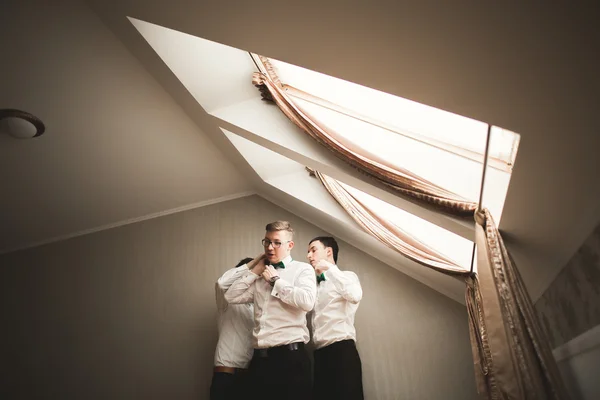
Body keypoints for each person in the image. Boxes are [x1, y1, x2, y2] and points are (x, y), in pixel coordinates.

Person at [225, 221, 317, 400]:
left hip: (291, 360)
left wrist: (276, 281)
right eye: (267, 241)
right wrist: (254, 272)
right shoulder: (259, 277)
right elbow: (230, 296)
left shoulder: (302, 269)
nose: (270, 247)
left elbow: (307, 302)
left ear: (290, 245)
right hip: (260, 361)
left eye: (277, 242)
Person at [307, 236, 364, 400]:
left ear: (328, 251)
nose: (309, 256)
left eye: (313, 250)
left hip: (342, 354)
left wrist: (330, 269)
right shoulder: (315, 286)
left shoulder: (347, 276)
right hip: (319, 356)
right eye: (308, 252)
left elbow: (355, 295)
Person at [210, 257, 255, 400]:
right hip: (226, 375)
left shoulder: (256, 306)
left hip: (250, 377)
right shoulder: (226, 300)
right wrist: (252, 266)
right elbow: (221, 284)